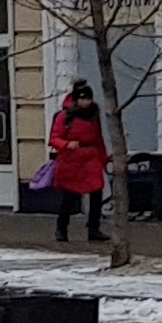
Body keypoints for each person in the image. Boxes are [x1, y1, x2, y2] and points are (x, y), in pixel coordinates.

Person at [45, 79, 112, 245]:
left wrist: (103, 159)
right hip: (71, 160)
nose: (86, 102)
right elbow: (54, 139)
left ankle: (94, 228)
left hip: (91, 158)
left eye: (88, 99)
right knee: (69, 196)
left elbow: (98, 139)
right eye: (83, 99)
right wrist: (67, 144)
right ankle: (61, 228)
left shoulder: (94, 115)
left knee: (96, 193)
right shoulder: (64, 116)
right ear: (76, 99)